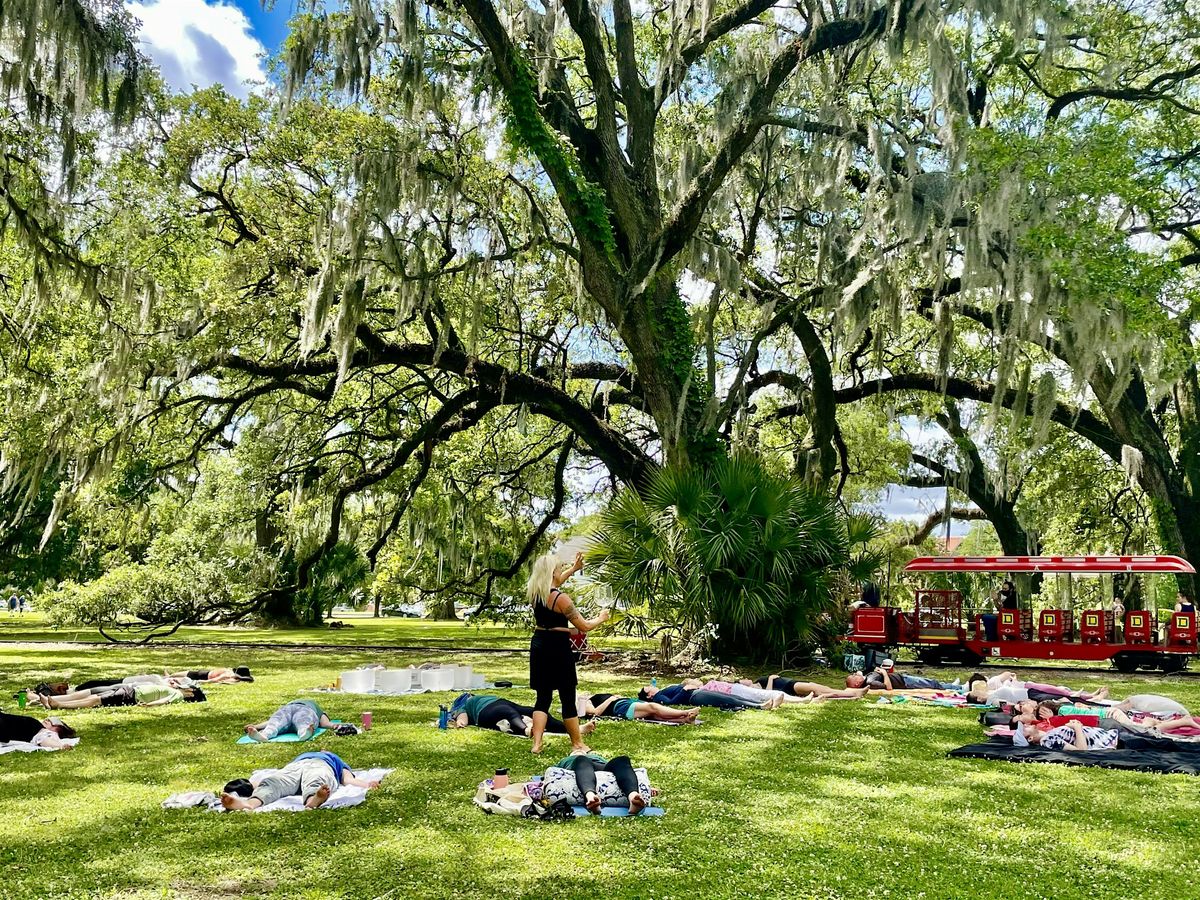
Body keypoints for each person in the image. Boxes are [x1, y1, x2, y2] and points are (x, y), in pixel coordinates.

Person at [526, 551, 608, 754]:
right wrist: (601, 618)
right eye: (559, 567)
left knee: (543, 697)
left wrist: (574, 569)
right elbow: (584, 626)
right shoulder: (560, 599)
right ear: (552, 572)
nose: (561, 570)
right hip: (557, 647)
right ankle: (577, 743)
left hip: (539, 645)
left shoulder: (536, 593)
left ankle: (536, 744)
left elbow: (556, 583)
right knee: (567, 695)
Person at [220, 750, 380, 811]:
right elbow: (349, 781)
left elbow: (348, 779)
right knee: (275, 782)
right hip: (301, 767)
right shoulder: (327, 758)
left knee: (314, 780)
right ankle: (248, 804)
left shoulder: (336, 760)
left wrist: (367, 784)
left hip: (311, 765)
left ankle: (313, 799)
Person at [449, 692, 595, 738]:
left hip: (502, 702)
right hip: (485, 712)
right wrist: (461, 722)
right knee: (508, 713)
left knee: (536, 712)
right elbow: (462, 716)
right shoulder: (464, 704)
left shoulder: (480, 696)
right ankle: (525, 729)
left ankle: (576, 729)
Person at [555, 750, 646, 815]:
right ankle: (591, 798)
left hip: (602, 766)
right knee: (581, 759)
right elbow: (553, 776)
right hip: (580, 766)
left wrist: (646, 787)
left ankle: (633, 796)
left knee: (622, 760)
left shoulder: (597, 757)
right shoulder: (567, 760)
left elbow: (623, 772)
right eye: (575, 751)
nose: (578, 750)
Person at [966, 673, 1108, 706]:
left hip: (1029, 692)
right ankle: (1094, 701)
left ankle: (1092, 699)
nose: (980, 690)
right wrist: (1023, 704)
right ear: (978, 698)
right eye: (976, 692)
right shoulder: (991, 700)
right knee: (1060, 698)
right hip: (1030, 696)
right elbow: (1005, 705)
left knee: (1060, 695)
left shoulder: (991, 693)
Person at [33, 682, 206, 709]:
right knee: (95, 696)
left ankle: (59, 704)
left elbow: (164, 700)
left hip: (132, 696)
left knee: (96, 700)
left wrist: (151, 705)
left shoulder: (179, 696)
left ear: (190, 693)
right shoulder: (177, 690)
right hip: (130, 690)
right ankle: (52, 701)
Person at [639, 682, 769, 711]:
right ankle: (759, 706)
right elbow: (671, 703)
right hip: (694, 697)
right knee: (728, 699)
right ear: (649, 695)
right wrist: (684, 689)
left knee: (730, 696)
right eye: (648, 688)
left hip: (697, 692)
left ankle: (758, 702)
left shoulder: (662, 690)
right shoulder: (658, 698)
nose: (651, 686)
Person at [581, 692, 699, 724]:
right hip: (619, 706)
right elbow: (595, 712)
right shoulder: (588, 701)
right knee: (652, 707)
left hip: (624, 703)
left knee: (655, 715)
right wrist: (611, 699)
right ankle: (685, 712)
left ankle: (685, 719)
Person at [245, 699, 332, 742]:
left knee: (276, 722)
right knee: (304, 721)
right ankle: (304, 732)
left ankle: (264, 735)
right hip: (304, 709)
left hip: (287, 708)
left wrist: (256, 726)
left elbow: (272, 721)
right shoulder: (319, 710)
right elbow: (325, 724)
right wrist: (334, 725)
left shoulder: (295, 702)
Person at [1015, 720, 1119, 751]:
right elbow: (1081, 750)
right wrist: (1077, 727)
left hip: (1111, 735)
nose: (1025, 725)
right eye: (1024, 729)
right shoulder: (1048, 741)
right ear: (1030, 738)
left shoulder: (1048, 735)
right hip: (1113, 741)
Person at [748, 674, 867, 700]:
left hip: (791, 683)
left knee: (821, 689)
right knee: (814, 688)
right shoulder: (753, 689)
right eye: (742, 681)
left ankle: (850, 694)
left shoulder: (757, 681)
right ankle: (853, 693)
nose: (745, 680)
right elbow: (768, 693)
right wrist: (770, 679)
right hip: (789, 686)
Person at [0, 710, 76, 749]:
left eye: (52, 722)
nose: (47, 720)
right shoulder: (37, 726)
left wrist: (60, 746)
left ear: (57, 730)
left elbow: (44, 739)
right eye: (48, 719)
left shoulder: (45, 732)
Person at [846, 667, 960, 692]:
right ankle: (958, 688)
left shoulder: (866, 678)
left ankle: (951, 685)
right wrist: (885, 674)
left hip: (903, 678)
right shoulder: (871, 682)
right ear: (857, 683)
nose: (855, 674)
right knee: (932, 684)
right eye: (854, 676)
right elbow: (888, 688)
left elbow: (860, 673)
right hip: (905, 682)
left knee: (931, 682)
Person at [169, 666, 254, 684]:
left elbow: (213, 680)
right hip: (200, 674)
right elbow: (214, 680)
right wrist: (198, 681)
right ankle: (168, 676)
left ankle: (168, 676)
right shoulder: (227, 675)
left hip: (203, 674)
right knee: (173, 676)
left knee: (175, 677)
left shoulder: (231, 677)